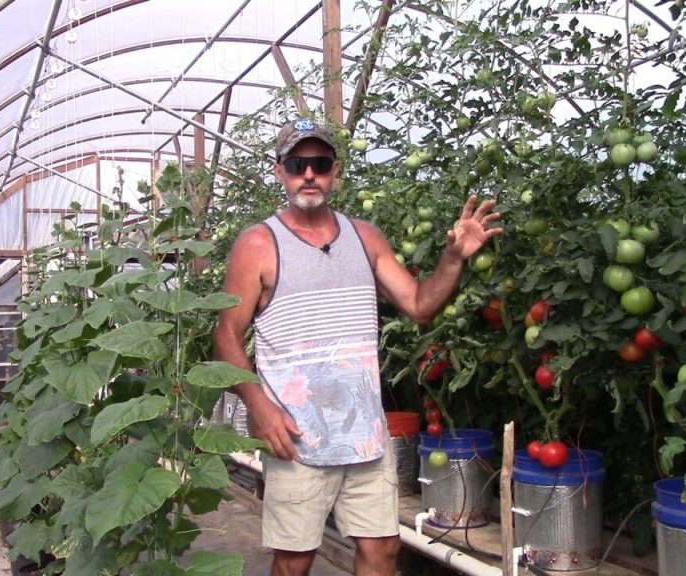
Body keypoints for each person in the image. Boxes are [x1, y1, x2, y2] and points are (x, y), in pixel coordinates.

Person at [213, 118, 502, 576]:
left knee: (384, 549)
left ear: (336, 172)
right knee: (294, 559)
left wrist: (452, 258)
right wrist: (258, 404)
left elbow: (420, 304)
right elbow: (226, 334)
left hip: (365, 434)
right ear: (279, 171)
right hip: (297, 435)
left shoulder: (364, 237)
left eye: (320, 163)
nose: (309, 174)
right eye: (297, 163)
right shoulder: (258, 244)